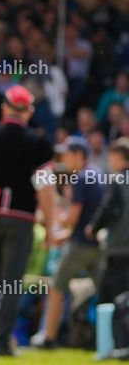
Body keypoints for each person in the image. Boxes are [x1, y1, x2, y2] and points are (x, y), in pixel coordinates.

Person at [0, 84, 57, 356]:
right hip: (20, 219)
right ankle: (4, 342)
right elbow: (45, 187)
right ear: (29, 111)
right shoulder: (37, 142)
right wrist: (51, 226)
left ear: (4, 108)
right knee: (11, 283)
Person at [34, 137, 106, 349]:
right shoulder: (99, 174)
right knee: (103, 293)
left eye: (67, 153)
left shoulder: (81, 178)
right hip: (98, 246)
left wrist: (56, 220)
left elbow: (73, 219)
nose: (64, 158)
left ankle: (49, 337)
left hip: (80, 247)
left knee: (56, 287)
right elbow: (90, 219)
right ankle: (106, 339)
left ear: (79, 155)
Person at [85, 138, 129, 306]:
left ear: (119, 156)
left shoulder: (118, 180)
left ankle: (109, 333)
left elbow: (108, 209)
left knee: (109, 301)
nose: (110, 161)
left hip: (118, 249)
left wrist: (94, 228)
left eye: (112, 157)